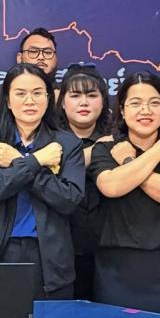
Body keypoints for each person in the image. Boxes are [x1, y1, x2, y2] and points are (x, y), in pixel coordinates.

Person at [0, 63, 84, 300]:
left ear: (48, 98)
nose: (29, 101)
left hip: (50, 258)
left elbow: (69, 200)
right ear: (8, 101)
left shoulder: (67, 144)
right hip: (1, 253)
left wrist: (19, 163)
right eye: (20, 93)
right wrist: (36, 161)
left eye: (37, 93)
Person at [89, 72, 160, 316]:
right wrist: (156, 153)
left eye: (154, 103)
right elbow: (112, 187)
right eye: (135, 103)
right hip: (116, 268)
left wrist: (129, 163)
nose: (145, 110)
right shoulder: (106, 149)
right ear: (122, 110)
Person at [56, 65, 112, 300]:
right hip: (61, 247)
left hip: (111, 248)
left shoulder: (119, 138)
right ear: (62, 102)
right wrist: (98, 151)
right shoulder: (48, 138)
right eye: (75, 95)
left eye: (91, 95)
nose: (84, 103)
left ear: (103, 101)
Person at [0, 27, 59, 127]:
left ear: (56, 58)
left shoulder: (66, 92)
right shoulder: (4, 91)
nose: (41, 57)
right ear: (20, 58)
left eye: (48, 52)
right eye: (33, 51)